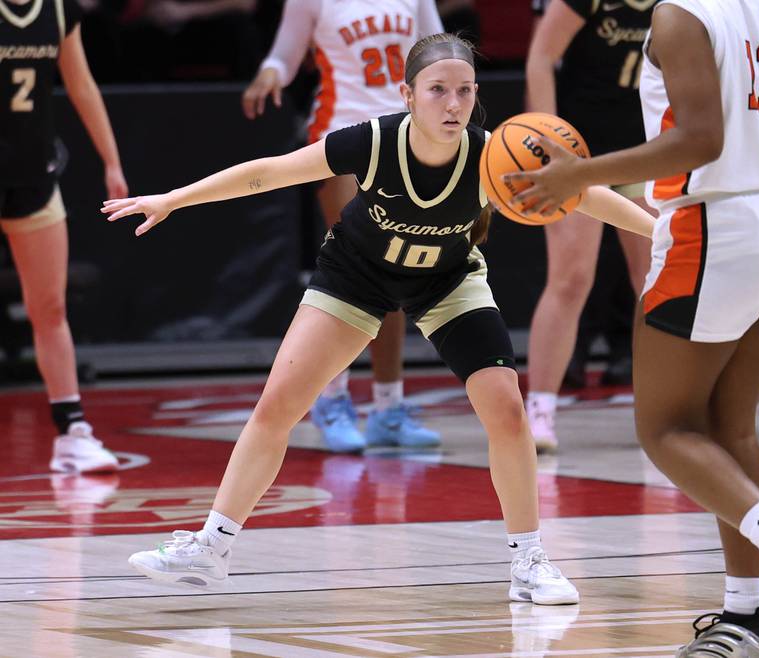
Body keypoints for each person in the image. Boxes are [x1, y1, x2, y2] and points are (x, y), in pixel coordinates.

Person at [107, 33, 654, 603]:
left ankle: (529, 562)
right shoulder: (371, 142)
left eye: (464, 92)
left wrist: (661, 230)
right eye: (437, 90)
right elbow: (268, 172)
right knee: (278, 405)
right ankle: (210, 549)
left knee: (507, 410)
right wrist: (172, 199)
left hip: (447, 279)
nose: (452, 104)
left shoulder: (495, 154)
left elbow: (585, 193)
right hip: (357, 276)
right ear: (408, 94)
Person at [506, 0, 759, 650]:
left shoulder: (679, 16)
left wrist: (578, 177)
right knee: (732, 426)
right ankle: (746, 619)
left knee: (664, 427)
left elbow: (700, 140)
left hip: (713, 223)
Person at [241, 0, 445, 453]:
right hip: (342, 136)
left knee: (397, 273)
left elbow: (439, 52)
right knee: (356, 273)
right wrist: (270, 73)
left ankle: (388, 409)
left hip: (406, 135)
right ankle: (332, 401)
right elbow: (285, 56)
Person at [523, 0, 656, 453]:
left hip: (644, 150)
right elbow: (540, 58)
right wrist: (548, 146)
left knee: (657, 278)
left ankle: (664, 407)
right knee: (572, 278)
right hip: (579, 153)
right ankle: (539, 410)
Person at [1, 0, 127, 472]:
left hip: (34, 174)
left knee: (49, 306)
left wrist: (110, 160)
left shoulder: (56, 9)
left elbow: (81, 84)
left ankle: (73, 431)